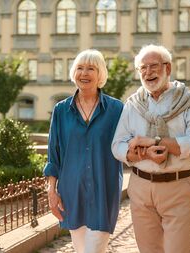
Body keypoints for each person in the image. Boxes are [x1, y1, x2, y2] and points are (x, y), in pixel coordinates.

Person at [111, 44, 190, 253]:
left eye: (153, 66)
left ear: (168, 68)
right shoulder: (133, 104)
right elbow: (117, 145)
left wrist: (155, 142)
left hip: (178, 184)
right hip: (140, 187)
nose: (148, 72)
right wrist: (144, 153)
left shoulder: (188, 101)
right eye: (143, 68)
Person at [43, 49, 124, 253]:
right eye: (80, 68)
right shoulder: (61, 110)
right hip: (72, 193)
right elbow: (54, 153)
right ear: (73, 73)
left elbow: (127, 145)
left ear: (100, 75)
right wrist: (51, 190)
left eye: (91, 68)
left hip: (103, 190)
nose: (84, 73)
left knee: (94, 249)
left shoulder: (117, 110)